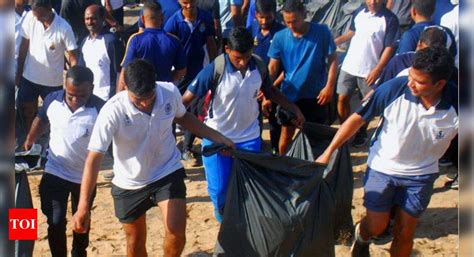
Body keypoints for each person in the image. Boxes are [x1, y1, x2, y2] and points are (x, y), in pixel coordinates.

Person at [72, 59, 234, 257]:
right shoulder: (112, 111)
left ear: (155, 84)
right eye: (138, 99)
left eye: (149, 96)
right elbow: (93, 159)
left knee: (176, 233)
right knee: (135, 242)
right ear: (125, 88)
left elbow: (183, 116)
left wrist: (218, 138)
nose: (145, 103)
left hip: (166, 171)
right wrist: (83, 206)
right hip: (129, 182)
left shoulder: (169, 92)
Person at [316, 46, 458, 257]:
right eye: (411, 76)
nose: (411, 83)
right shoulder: (394, 89)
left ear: (440, 84)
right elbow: (356, 119)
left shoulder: (459, 102)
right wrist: (329, 152)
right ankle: (362, 237)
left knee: (404, 232)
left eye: (419, 81)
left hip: (422, 174)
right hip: (383, 166)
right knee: (377, 225)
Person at [182, 27, 305, 222]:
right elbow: (186, 99)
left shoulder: (258, 66)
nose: (243, 62)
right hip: (217, 139)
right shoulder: (215, 69)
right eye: (238, 58)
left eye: (247, 57)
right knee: (220, 192)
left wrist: (293, 108)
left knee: (249, 189)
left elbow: (270, 91)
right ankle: (225, 228)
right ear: (227, 49)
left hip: (249, 139)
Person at [23, 66, 105, 257]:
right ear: (64, 87)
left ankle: (79, 251)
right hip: (55, 171)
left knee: (81, 220)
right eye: (70, 95)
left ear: (91, 89)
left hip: (84, 177)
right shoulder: (52, 99)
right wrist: (30, 139)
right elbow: (41, 119)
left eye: (82, 96)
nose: (75, 100)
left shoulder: (101, 109)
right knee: (55, 220)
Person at [267, 0, 338, 154]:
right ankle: (284, 165)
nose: (291, 26)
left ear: (304, 15)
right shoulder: (280, 37)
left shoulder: (322, 32)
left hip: (316, 95)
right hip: (290, 96)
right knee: (286, 135)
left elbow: (333, 59)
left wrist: (329, 87)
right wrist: (267, 89)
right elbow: (273, 67)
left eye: (295, 21)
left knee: (316, 136)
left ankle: (315, 169)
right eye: (287, 22)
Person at [334, 0, 400, 147]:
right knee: (342, 98)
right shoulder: (359, 12)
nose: (372, 2)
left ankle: (361, 131)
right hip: (349, 65)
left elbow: (389, 47)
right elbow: (352, 32)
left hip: (369, 70)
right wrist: (335, 41)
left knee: (366, 104)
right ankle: (346, 130)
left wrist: (377, 69)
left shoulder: (389, 19)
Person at [164, 0, 218, 165]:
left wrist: (215, 66)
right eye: (185, 3)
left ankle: (186, 148)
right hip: (179, 74)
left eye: (192, 2)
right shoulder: (173, 22)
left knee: (193, 110)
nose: (189, 6)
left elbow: (210, 42)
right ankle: (171, 148)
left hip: (199, 72)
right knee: (173, 109)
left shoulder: (205, 17)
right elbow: (167, 47)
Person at [16, 0, 78, 135]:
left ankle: (51, 142)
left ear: (50, 9)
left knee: (53, 116)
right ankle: (29, 140)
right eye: (36, 17)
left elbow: (73, 58)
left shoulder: (64, 27)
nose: (38, 20)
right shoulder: (30, 18)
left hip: (52, 82)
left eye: (42, 16)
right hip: (29, 77)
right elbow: (23, 47)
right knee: (27, 110)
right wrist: (18, 74)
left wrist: (71, 83)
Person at [117, 0, 186, 92]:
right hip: (165, 91)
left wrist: (118, 97)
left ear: (142, 19)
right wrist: (167, 79)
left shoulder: (135, 40)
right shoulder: (174, 40)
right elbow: (181, 71)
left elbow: (125, 73)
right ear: (162, 18)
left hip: (141, 92)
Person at [249, 0, 285, 154]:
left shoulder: (282, 33)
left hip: (275, 86)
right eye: (261, 17)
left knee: (274, 121)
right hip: (254, 86)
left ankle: (276, 151)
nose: (264, 21)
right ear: (255, 15)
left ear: (274, 15)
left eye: (268, 18)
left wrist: (269, 90)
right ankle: (256, 147)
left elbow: (285, 68)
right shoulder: (251, 30)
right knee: (252, 119)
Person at [79, 4, 124, 101]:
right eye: (87, 19)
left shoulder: (111, 41)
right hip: (89, 98)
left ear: (102, 19)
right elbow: (81, 71)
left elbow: (120, 71)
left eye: (93, 18)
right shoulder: (85, 43)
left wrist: (117, 97)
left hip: (108, 98)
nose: (89, 22)